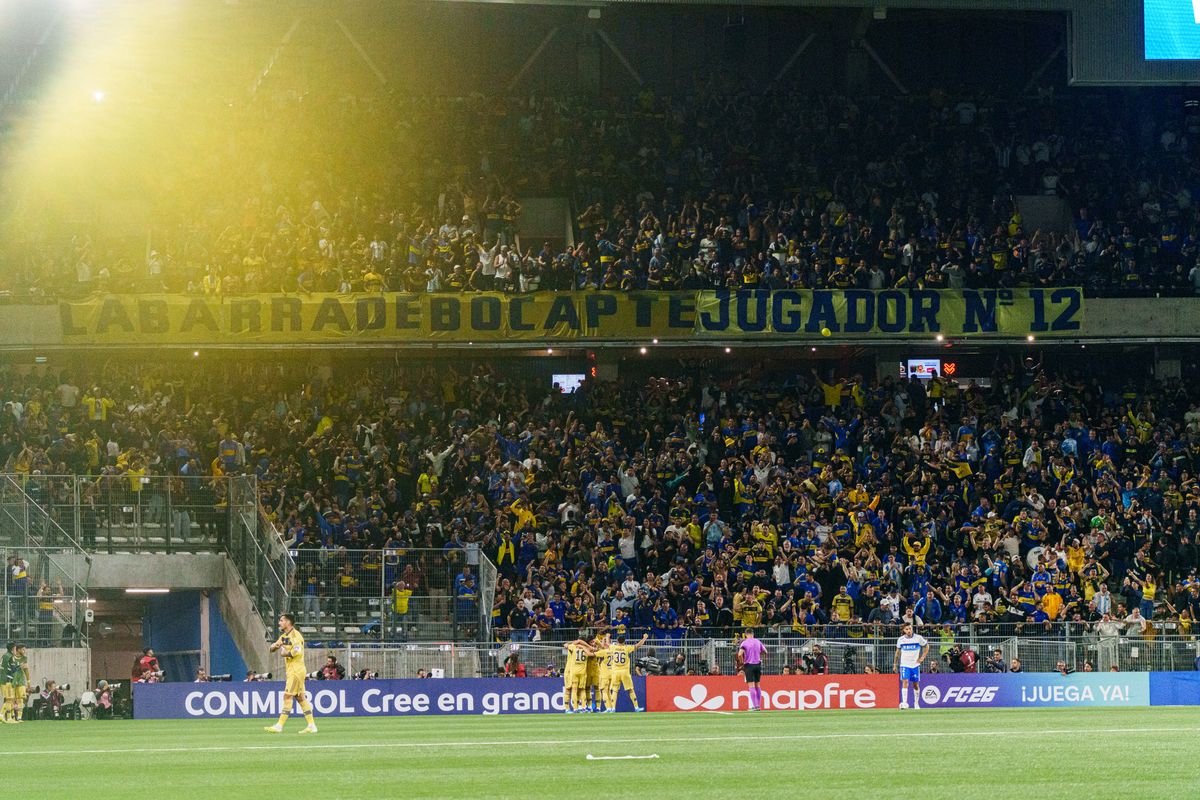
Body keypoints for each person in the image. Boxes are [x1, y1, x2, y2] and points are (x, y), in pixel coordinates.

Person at [264, 613, 317, 734]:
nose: (279, 623)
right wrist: (274, 646)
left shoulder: (296, 636)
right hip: (292, 670)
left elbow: (296, 652)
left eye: (282, 620)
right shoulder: (284, 636)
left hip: (296, 670)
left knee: (287, 696)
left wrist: (284, 653)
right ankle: (311, 725)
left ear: (288, 622)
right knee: (300, 698)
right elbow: (272, 649)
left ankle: (279, 725)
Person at [605, 633, 648, 713]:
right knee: (630, 690)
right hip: (625, 672)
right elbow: (637, 645)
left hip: (615, 672)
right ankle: (636, 707)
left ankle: (613, 708)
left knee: (614, 690)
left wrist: (607, 636)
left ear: (617, 641)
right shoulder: (627, 648)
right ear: (624, 641)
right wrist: (644, 638)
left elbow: (607, 644)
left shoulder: (613, 647)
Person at [894, 623, 929, 709]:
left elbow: (926, 646)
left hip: (915, 665)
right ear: (904, 630)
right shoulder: (901, 640)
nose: (909, 631)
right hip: (904, 665)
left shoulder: (918, 638)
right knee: (905, 681)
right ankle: (904, 703)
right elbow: (897, 653)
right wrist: (895, 664)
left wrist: (922, 657)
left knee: (915, 684)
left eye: (910, 628)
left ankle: (916, 703)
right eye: (907, 629)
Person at [736, 628, 766, 711]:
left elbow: (739, 654)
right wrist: (758, 655)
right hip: (758, 665)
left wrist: (742, 662)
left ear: (746, 634)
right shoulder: (758, 641)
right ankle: (758, 705)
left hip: (749, 665)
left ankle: (755, 706)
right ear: (753, 634)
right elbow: (765, 651)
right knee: (758, 685)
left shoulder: (745, 643)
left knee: (751, 685)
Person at [562, 638, 593, 713]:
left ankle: (577, 708)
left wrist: (572, 642)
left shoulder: (572, 646)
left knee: (576, 690)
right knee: (569, 689)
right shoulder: (586, 649)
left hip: (573, 670)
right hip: (571, 671)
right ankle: (568, 708)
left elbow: (565, 644)